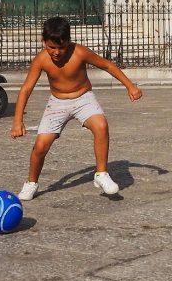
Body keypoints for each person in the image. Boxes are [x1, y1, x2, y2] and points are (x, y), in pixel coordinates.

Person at [11, 16, 142, 201]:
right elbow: (25, 89)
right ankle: (31, 183)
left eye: (61, 47)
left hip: (83, 98)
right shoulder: (41, 59)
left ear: (69, 42)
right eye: (51, 47)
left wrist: (130, 86)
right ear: (44, 42)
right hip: (57, 102)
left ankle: (101, 173)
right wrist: (18, 121)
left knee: (101, 125)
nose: (56, 52)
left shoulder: (79, 52)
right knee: (40, 146)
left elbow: (107, 65)